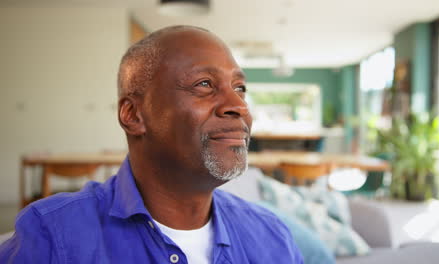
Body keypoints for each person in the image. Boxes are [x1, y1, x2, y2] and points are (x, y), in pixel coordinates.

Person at [0, 25, 303, 263]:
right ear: (133, 115)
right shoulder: (53, 235)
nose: (238, 105)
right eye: (205, 84)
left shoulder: (272, 237)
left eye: (240, 88)